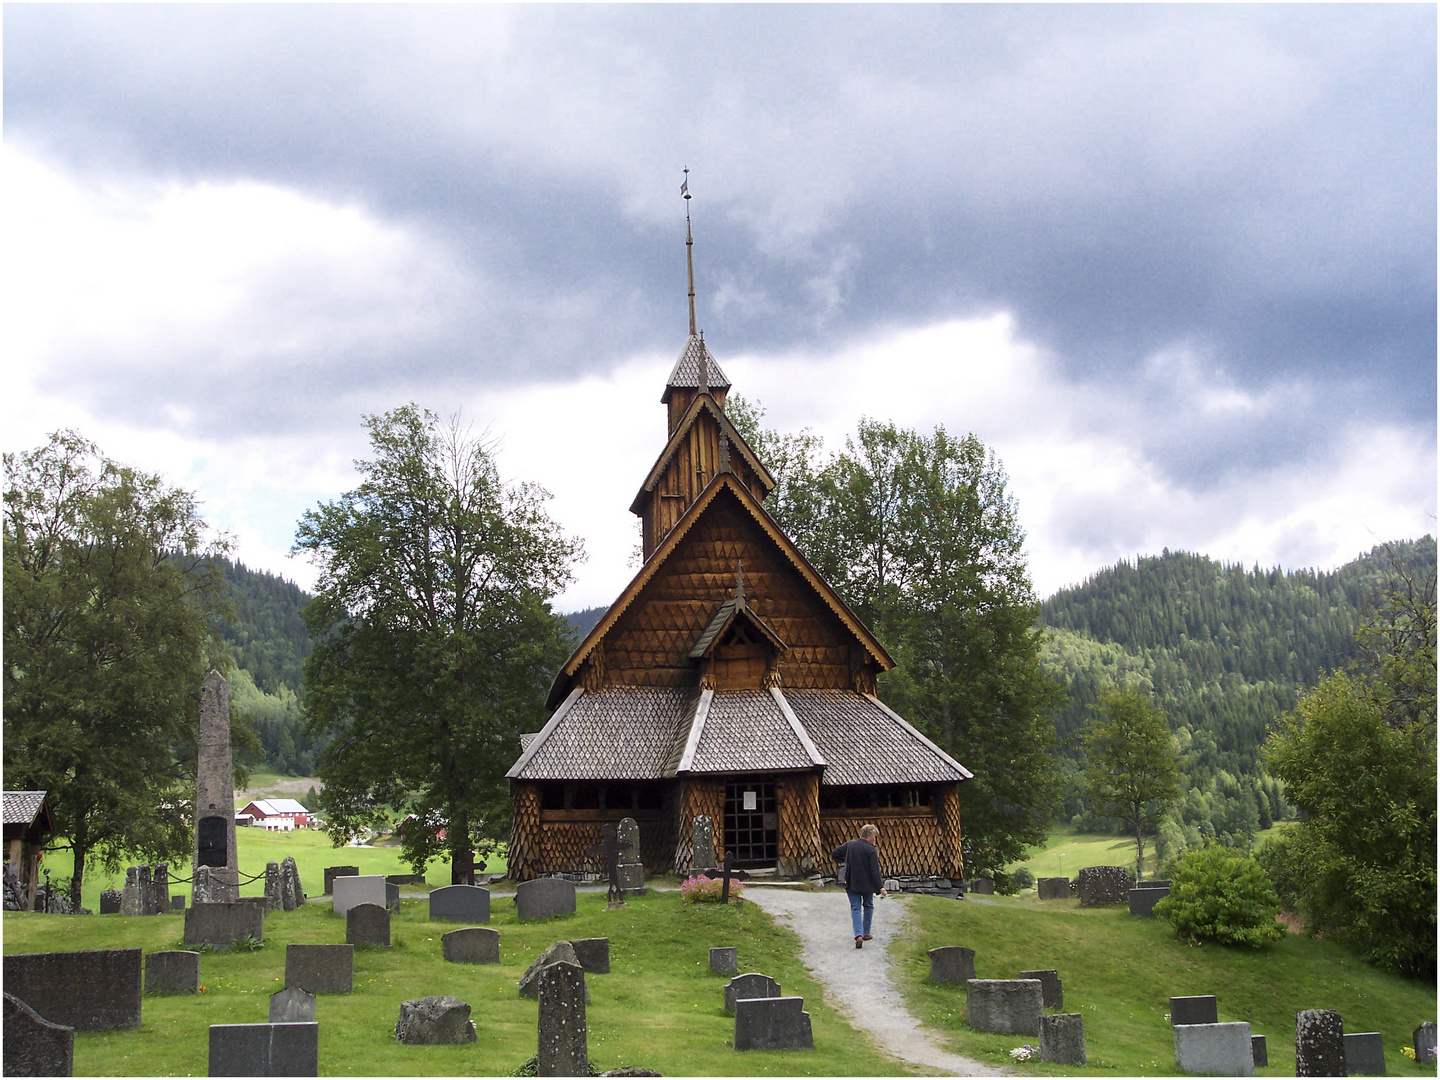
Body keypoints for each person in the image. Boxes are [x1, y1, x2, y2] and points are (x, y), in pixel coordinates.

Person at [833, 823, 887, 949]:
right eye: (874, 836)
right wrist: (880, 887)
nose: (875, 839)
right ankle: (866, 933)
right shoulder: (871, 850)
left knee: (855, 908)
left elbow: (835, 853)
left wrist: (844, 862)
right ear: (868, 836)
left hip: (851, 882)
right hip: (867, 884)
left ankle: (858, 935)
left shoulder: (850, 845)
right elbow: (874, 871)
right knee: (868, 906)